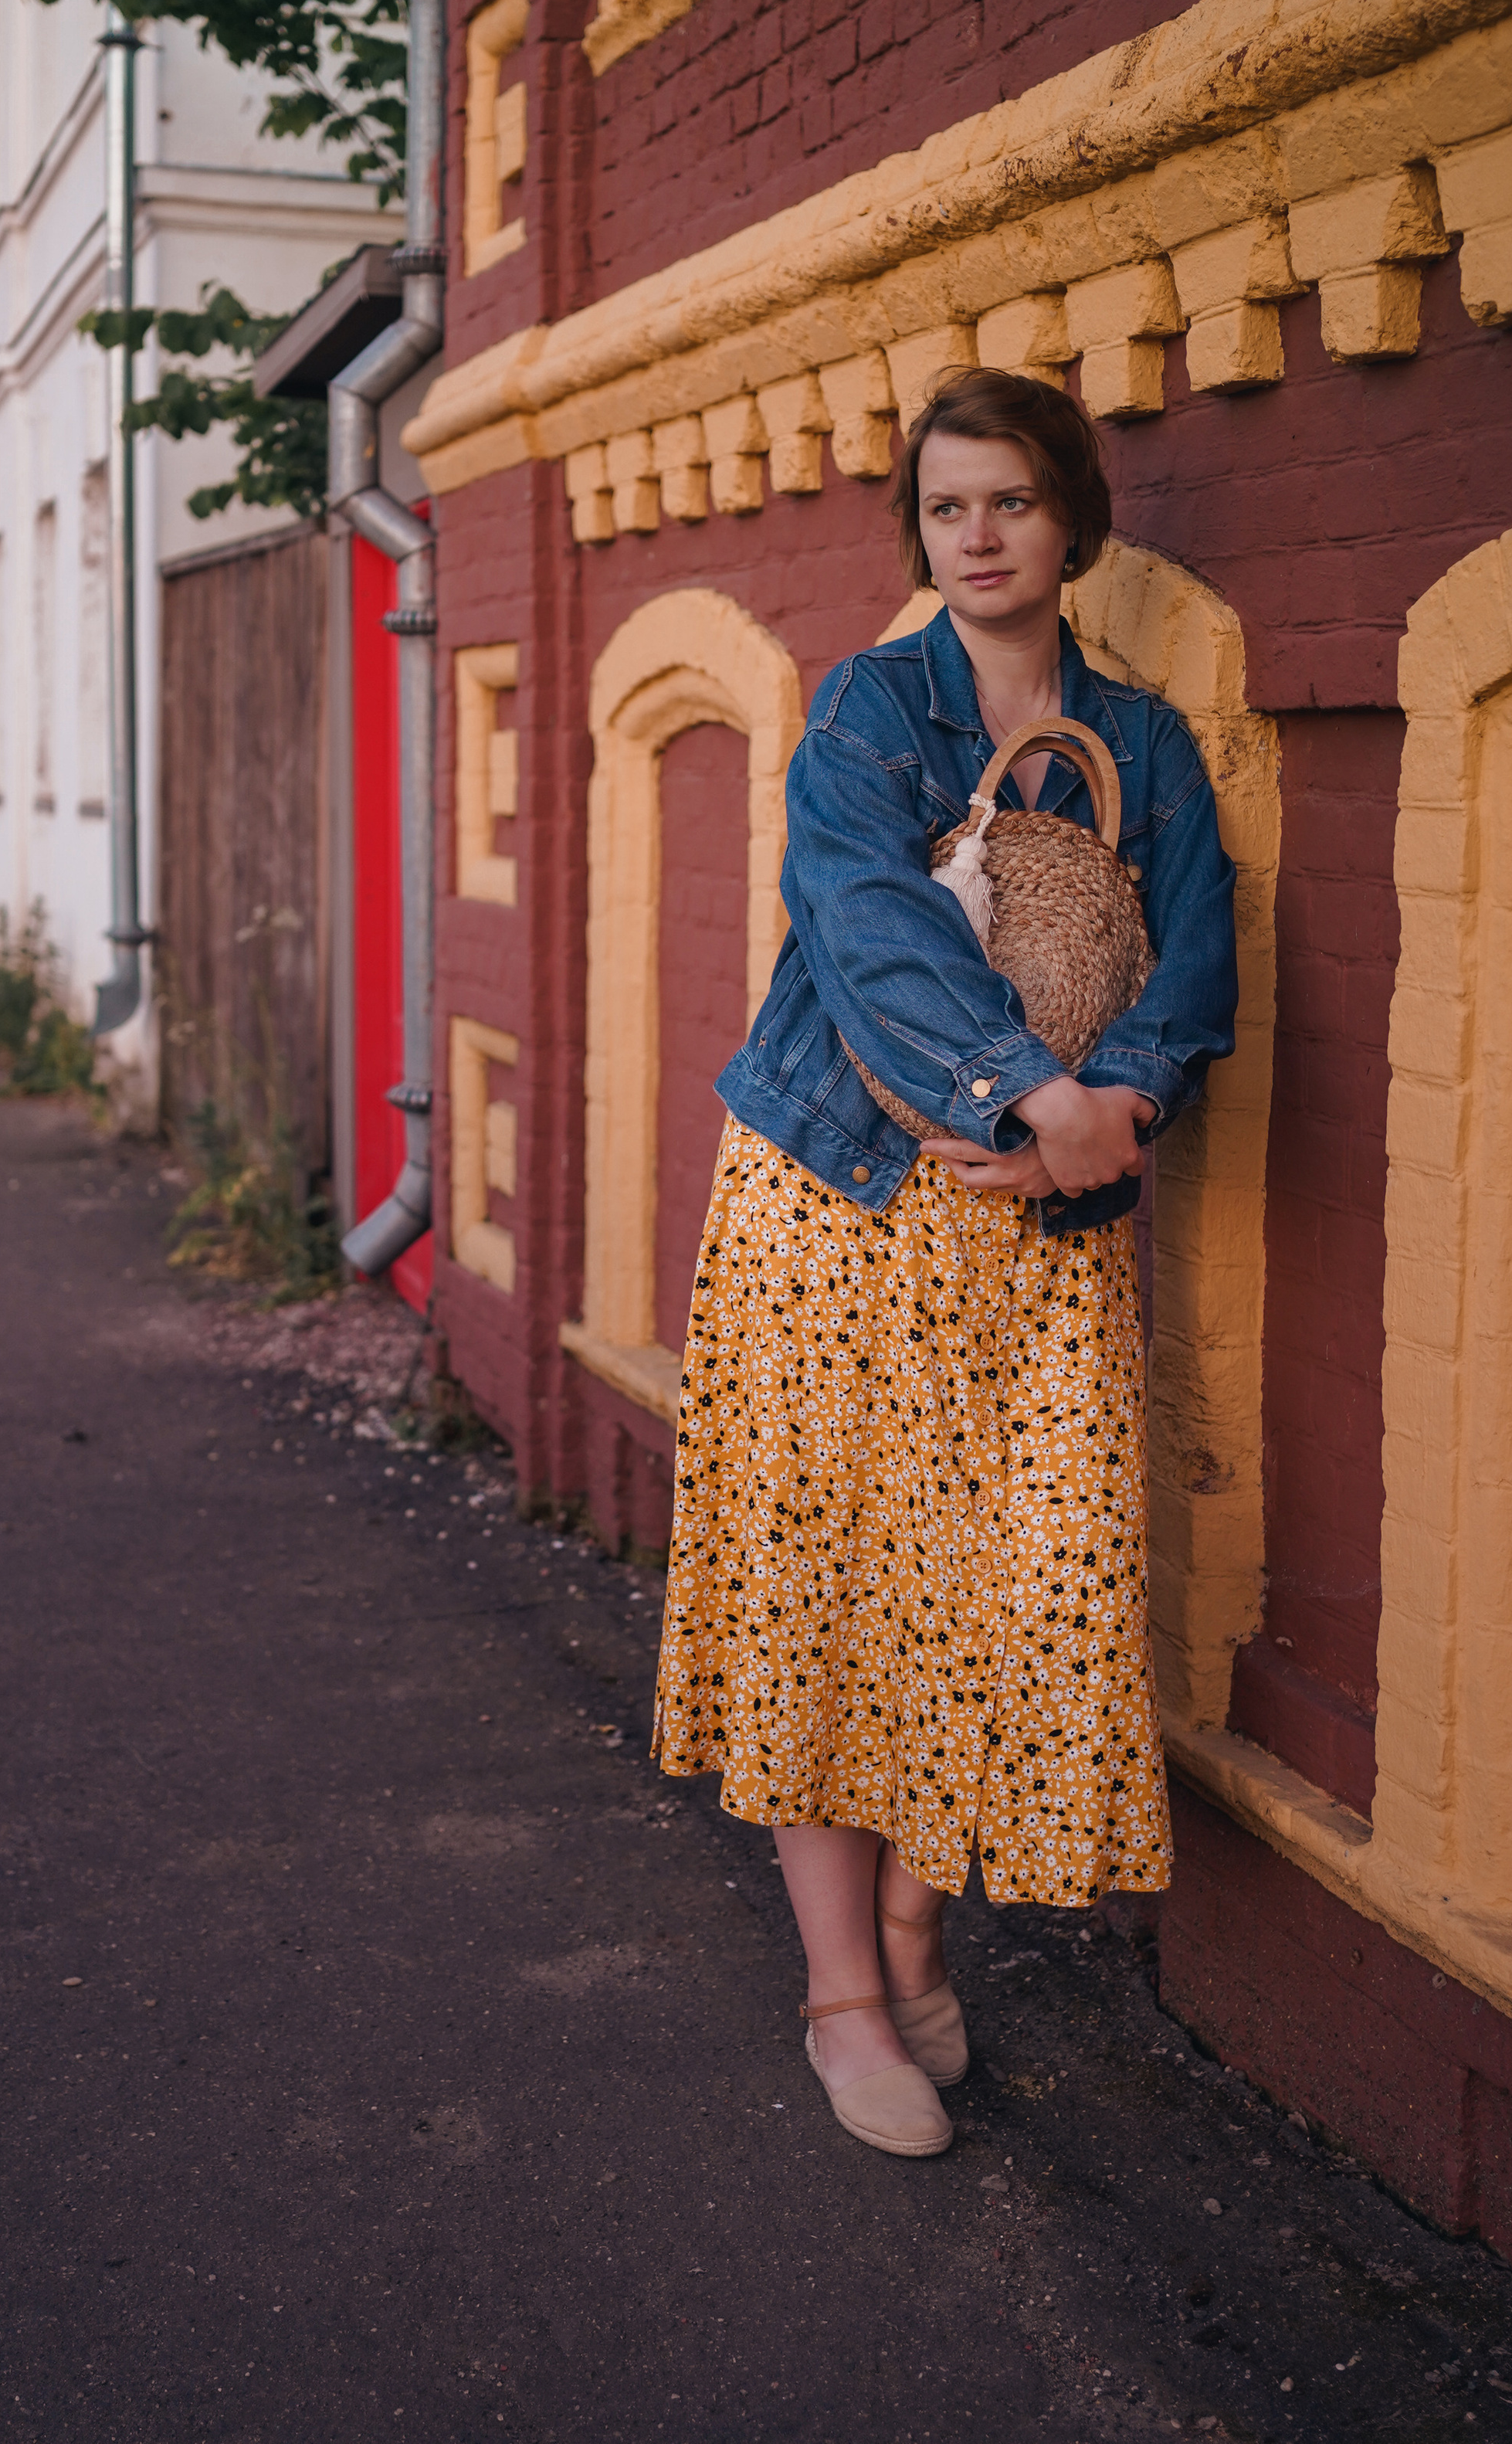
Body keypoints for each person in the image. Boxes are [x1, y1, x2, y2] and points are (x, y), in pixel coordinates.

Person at [651, 365, 1239, 2158]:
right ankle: (844, 1992)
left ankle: (915, 1935)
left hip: (1033, 1234)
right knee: (818, 1591)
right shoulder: (868, 707)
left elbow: (1196, 967)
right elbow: (863, 930)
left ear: (1071, 520)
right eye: (942, 507)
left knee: (998, 1590)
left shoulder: (1141, 747)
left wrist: (1104, 1105)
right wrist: (1029, 1090)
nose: (973, 536)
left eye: (1006, 503)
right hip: (833, 1210)